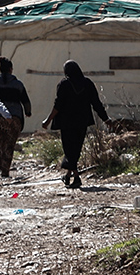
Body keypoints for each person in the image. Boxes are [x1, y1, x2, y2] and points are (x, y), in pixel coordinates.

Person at [42, 60, 110, 189]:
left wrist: (48, 120)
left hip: (67, 122)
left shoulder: (64, 84)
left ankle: (77, 177)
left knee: (69, 149)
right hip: (82, 121)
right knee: (75, 149)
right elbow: (96, 103)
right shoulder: (88, 83)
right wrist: (106, 119)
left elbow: (58, 105)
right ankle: (68, 176)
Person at [0, 56, 32, 178]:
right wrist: (28, 112)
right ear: (11, 69)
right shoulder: (18, 84)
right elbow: (26, 101)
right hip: (14, 118)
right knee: (9, 144)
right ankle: (5, 172)